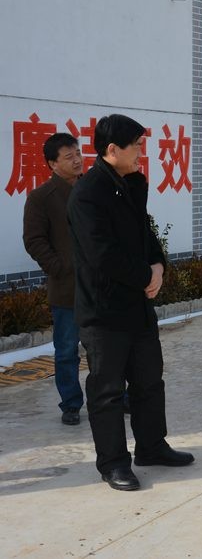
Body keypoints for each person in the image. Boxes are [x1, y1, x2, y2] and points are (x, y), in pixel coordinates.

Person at [68, 114, 194, 491]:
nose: (141, 152)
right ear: (112, 150)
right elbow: (102, 254)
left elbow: (145, 233)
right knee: (107, 392)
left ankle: (152, 447)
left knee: (149, 381)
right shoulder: (88, 193)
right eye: (136, 145)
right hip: (104, 311)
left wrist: (158, 266)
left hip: (137, 307)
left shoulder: (130, 184)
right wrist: (145, 276)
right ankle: (113, 463)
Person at [23, 133, 84, 425]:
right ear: (52, 163)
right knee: (67, 350)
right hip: (66, 288)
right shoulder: (41, 198)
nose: (77, 160)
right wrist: (59, 267)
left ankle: (113, 396)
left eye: (78, 153)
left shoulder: (93, 188)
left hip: (99, 286)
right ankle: (71, 403)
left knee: (106, 348)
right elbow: (34, 240)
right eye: (69, 156)